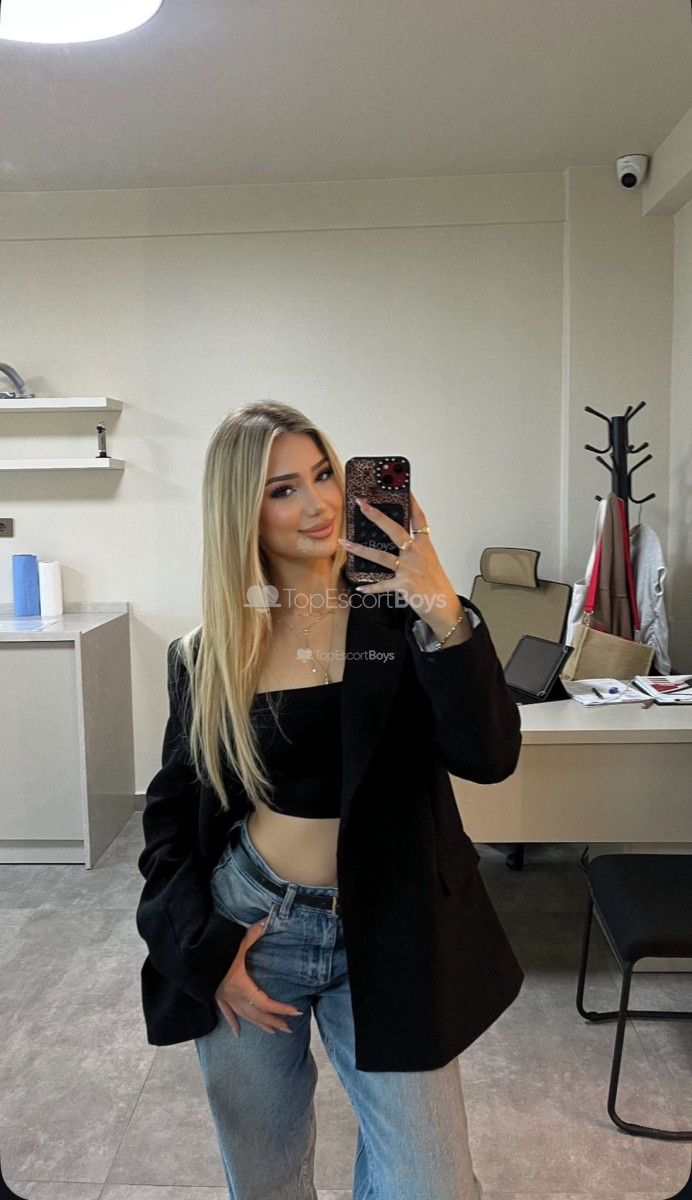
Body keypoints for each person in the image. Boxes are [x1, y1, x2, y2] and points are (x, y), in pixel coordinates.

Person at [136, 399, 525, 1200]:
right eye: (283, 489)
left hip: (389, 922)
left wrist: (444, 609)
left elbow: (489, 757)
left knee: (432, 1184)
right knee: (267, 1178)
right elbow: (170, 820)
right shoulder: (210, 652)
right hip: (254, 927)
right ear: (241, 513)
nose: (317, 503)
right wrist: (206, 953)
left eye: (323, 475)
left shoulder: (403, 616)